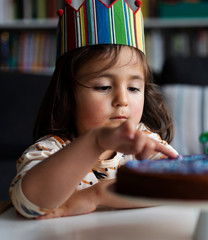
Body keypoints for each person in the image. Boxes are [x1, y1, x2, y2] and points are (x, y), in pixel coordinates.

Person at [9, 0, 178, 219]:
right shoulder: (51, 151)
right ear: (69, 95)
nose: (122, 100)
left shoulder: (144, 143)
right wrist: (95, 141)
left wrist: (95, 195)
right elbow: (28, 205)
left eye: (134, 88)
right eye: (103, 87)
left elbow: (177, 188)